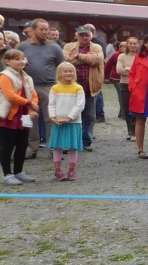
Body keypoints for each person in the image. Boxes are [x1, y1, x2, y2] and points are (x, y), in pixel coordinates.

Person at [18, 18, 64, 159]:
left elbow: (61, 66)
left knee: (51, 118)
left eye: (46, 29)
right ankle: (31, 149)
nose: (44, 32)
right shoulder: (22, 47)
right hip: (27, 88)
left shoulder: (54, 47)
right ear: (33, 30)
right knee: (28, 118)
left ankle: (53, 148)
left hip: (49, 86)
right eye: (41, 29)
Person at [0, 49, 40, 185]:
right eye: (17, 59)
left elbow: (33, 93)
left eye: (23, 58)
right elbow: (10, 96)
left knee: (22, 144)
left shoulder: (27, 77)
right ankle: (7, 174)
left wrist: (32, 107)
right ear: (7, 61)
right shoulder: (4, 76)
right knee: (7, 145)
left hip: (25, 115)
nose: (21, 61)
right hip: (10, 115)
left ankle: (18, 171)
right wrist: (30, 103)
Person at [63, 26, 104, 152]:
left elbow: (97, 60)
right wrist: (87, 59)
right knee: (71, 115)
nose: (84, 37)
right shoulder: (68, 47)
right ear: (77, 36)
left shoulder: (97, 47)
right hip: (71, 88)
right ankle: (71, 142)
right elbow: (66, 62)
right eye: (81, 35)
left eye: (87, 35)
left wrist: (78, 56)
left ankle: (86, 141)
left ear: (91, 35)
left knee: (89, 116)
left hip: (90, 87)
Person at [46, 61, 85, 180]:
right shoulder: (55, 88)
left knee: (73, 147)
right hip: (58, 122)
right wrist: (52, 116)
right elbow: (51, 104)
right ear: (59, 74)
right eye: (65, 71)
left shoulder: (78, 88)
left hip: (73, 122)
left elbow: (80, 105)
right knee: (57, 146)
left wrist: (69, 117)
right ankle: (57, 170)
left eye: (71, 71)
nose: (68, 73)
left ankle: (72, 170)